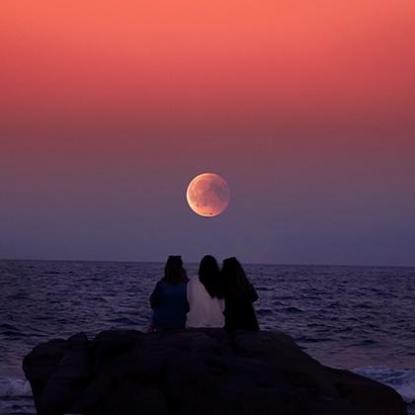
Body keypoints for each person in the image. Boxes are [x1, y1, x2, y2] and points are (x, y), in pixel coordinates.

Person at [149, 256, 189, 330]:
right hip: (180, 323)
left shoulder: (161, 285)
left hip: (161, 324)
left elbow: (152, 303)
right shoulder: (187, 285)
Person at [186, 255, 225, 328]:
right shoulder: (220, 282)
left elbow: (189, 300)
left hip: (195, 323)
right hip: (217, 323)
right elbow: (223, 307)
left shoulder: (193, 280)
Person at [221, 257, 259, 331]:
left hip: (232, 322)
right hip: (249, 321)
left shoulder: (224, 283)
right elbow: (255, 297)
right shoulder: (244, 282)